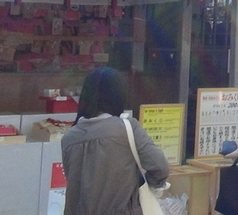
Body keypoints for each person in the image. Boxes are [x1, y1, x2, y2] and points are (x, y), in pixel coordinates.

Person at [61, 67, 170, 215]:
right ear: (118, 95)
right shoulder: (127, 128)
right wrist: (152, 185)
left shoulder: (69, 138)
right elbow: (159, 165)